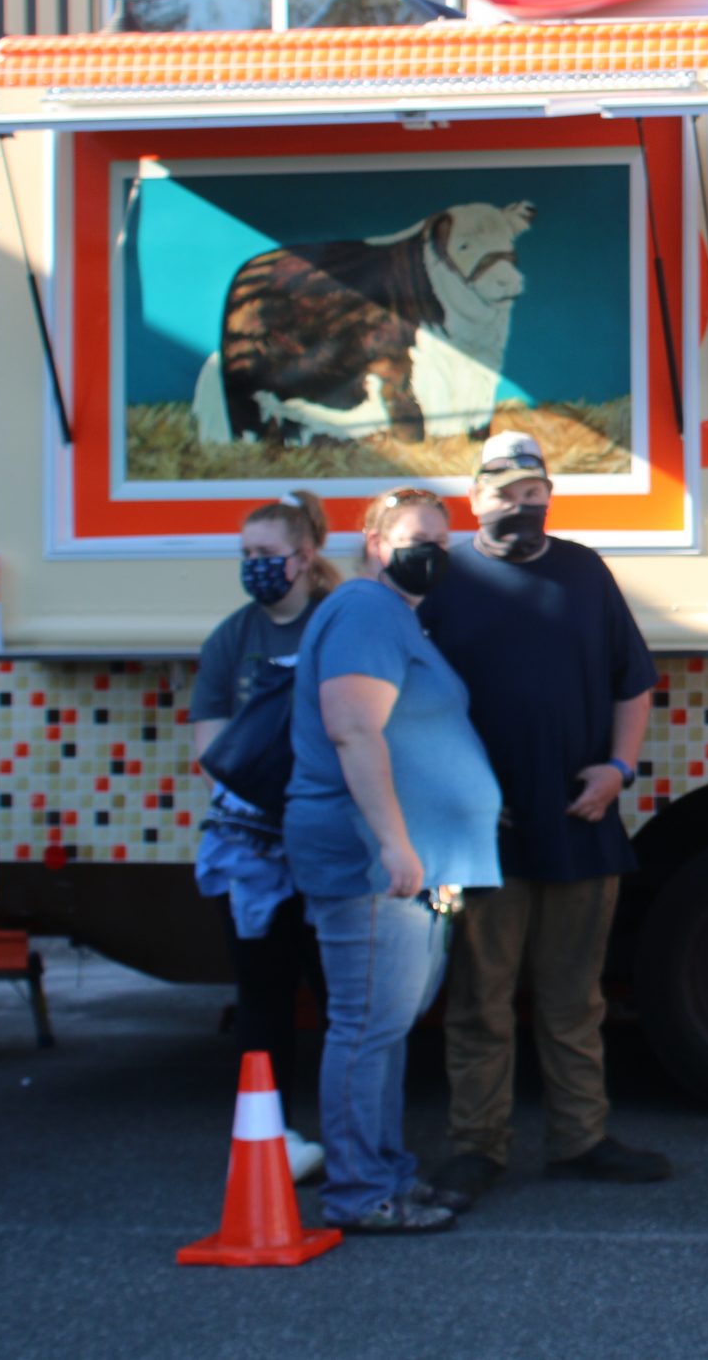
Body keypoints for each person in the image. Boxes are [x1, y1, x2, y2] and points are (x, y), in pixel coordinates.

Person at [418, 432, 667, 1210]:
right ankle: (475, 1146)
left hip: (580, 819)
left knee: (576, 997)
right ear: (475, 498)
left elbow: (635, 682)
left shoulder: (584, 572)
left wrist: (619, 769)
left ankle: (580, 1138)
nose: (521, 507)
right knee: (479, 1001)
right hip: (479, 835)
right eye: (504, 494)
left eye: (534, 493)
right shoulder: (442, 578)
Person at [284, 486, 501, 1237]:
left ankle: (384, 1175)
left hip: (412, 859)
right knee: (367, 1026)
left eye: (444, 540)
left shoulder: (397, 619)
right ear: (376, 542)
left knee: (384, 1023)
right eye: (416, 537)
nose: (433, 552)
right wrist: (396, 841)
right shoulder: (367, 612)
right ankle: (360, 1191)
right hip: (371, 859)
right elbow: (353, 729)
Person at [192, 489, 340, 1185]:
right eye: (245, 554)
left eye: (265, 554)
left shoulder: (337, 623)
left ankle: (353, 1136)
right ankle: (269, 1134)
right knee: (263, 997)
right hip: (252, 855)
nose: (252, 566)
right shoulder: (232, 636)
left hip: (330, 843)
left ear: (304, 557)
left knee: (344, 997)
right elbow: (211, 749)